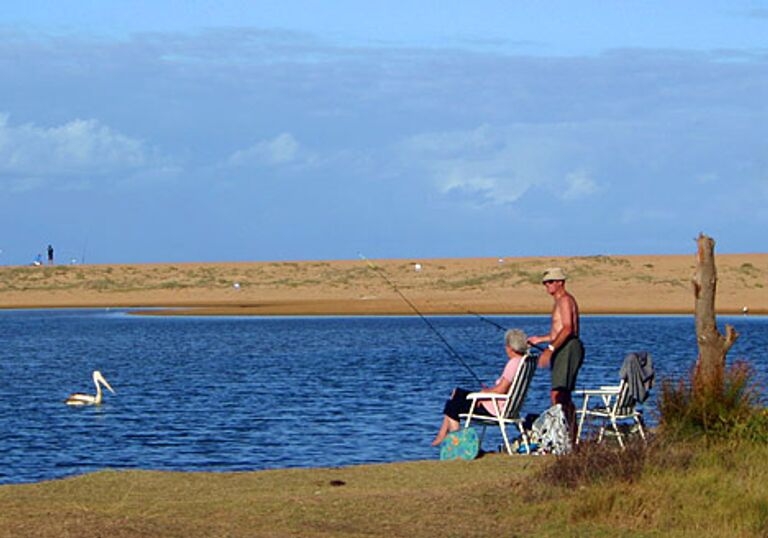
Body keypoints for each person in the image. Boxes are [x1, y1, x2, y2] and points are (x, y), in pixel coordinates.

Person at [431, 329, 529, 447]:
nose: (505, 348)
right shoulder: (523, 362)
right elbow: (503, 388)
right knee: (457, 393)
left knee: (453, 405)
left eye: (506, 345)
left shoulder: (513, 364)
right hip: (505, 405)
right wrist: (488, 391)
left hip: (495, 409)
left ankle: (455, 444)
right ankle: (442, 434)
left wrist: (484, 393)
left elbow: (501, 390)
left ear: (511, 347)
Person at [527, 267, 584, 443]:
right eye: (545, 282)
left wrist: (549, 350)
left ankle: (567, 437)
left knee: (558, 394)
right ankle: (568, 437)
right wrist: (540, 339)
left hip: (568, 347)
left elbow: (568, 328)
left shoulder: (565, 300)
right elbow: (557, 332)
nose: (547, 285)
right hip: (562, 346)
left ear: (560, 282)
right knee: (560, 394)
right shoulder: (558, 301)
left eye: (550, 282)